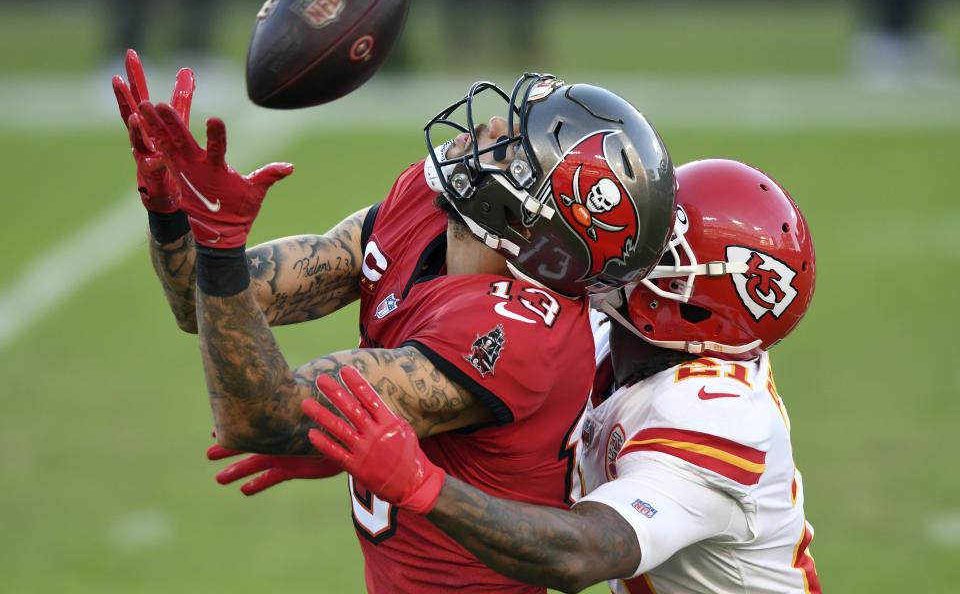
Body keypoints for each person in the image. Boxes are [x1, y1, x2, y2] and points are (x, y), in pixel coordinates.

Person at [112, 51, 677, 592]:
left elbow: (259, 418)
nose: (485, 129)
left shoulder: (520, 334)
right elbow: (198, 302)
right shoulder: (423, 208)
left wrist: (220, 246)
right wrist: (171, 212)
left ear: (532, 221)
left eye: (509, 146)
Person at [301, 159, 823, 593]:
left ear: (698, 304)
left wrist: (421, 484)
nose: (629, 239)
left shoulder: (721, 415)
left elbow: (579, 554)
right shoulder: (617, 335)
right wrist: (359, 436)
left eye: (661, 249)